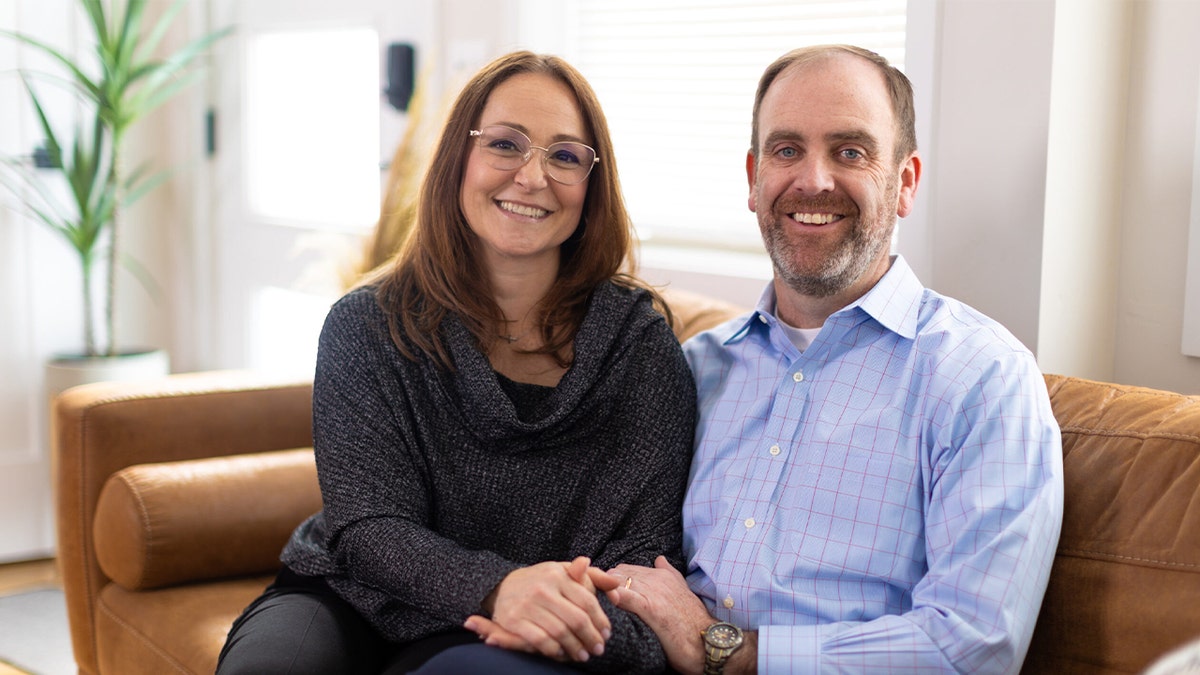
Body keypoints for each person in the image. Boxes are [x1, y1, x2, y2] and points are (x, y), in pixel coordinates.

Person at [586, 44, 1064, 674]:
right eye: (787, 150)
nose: (813, 180)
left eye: (850, 151)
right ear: (754, 181)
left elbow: (973, 645)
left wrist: (726, 652)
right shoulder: (693, 368)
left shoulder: (982, 379)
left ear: (905, 183)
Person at [216, 50, 696, 675]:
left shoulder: (640, 349)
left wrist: (576, 621)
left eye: (565, 155)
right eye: (505, 144)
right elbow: (368, 529)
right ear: (457, 159)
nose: (531, 177)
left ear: (592, 184)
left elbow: (645, 555)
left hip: (519, 627)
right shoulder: (368, 324)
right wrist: (501, 586)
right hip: (349, 596)